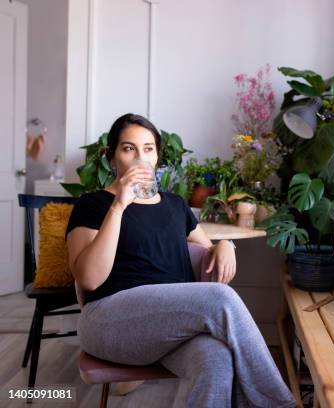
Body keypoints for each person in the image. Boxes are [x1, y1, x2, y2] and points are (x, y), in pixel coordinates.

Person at [65, 113, 296, 408]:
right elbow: (88, 279)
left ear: (157, 156)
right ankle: (282, 404)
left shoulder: (175, 205)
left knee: (217, 359)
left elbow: (207, 252)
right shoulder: (92, 204)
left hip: (168, 326)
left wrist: (225, 245)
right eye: (128, 148)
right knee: (220, 299)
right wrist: (119, 205)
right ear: (111, 156)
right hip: (109, 321)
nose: (140, 157)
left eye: (148, 149)